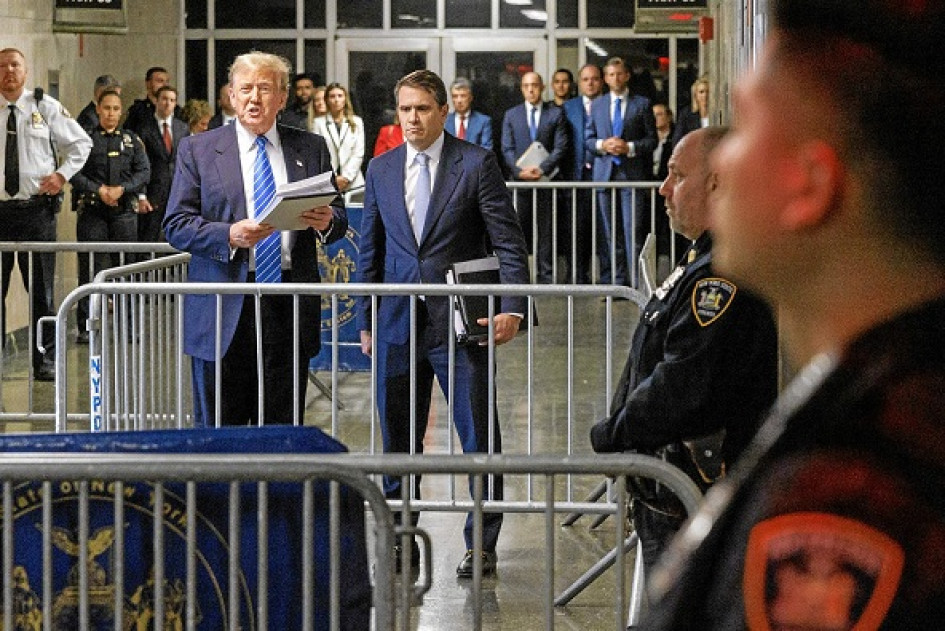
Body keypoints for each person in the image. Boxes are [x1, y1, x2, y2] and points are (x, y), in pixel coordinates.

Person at [640, 1, 945, 628]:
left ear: (809, 185)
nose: (721, 162)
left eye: (744, 128)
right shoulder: (879, 397)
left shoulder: (847, 498)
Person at [358, 69, 529, 578]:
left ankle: (482, 543)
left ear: (442, 111)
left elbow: (508, 242)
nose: (412, 118)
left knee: (478, 437)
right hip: (396, 324)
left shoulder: (475, 163)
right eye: (404, 109)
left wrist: (513, 306)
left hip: (459, 324)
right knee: (397, 442)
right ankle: (399, 539)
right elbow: (371, 250)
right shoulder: (381, 169)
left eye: (422, 109)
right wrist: (365, 320)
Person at [589, 126, 778, 576]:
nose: (664, 188)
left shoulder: (721, 276)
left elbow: (682, 383)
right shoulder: (702, 258)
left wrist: (614, 434)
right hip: (670, 490)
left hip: (687, 493)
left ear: (715, 184)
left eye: (677, 175)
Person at [163, 51, 347, 428]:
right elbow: (176, 224)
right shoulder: (198, 149)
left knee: (281, 430)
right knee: (220, 435)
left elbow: (338, 219)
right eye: (245, 89)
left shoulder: (310, 148)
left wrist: (328, 220)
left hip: (287, 302)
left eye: (264, 89)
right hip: (224, 305)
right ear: (231, 96)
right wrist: (228, 235)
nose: (254, 98)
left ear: (282, 98)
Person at [0, 47, 92, 381]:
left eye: (15, 65)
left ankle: (45, 360)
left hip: (36, 212)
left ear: (25, 71)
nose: (9, 71)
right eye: (2, 66)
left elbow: (81, 144)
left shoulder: (44, 107)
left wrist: (62, 175)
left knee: (42, 292)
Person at [71, 89, 150, 344]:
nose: (111, 114)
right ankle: (86, 327)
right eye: (106, 108)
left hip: (123, 213)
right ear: (98, 110)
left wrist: (122, 189)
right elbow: (74, 172)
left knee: (125, 269)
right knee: (90, 268)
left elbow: (144, 172)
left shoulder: (131, 140)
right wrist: (99, 190)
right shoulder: (85, 140)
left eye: (116, 109)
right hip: (93, 211)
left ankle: (128, 326)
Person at [586, 56, 657, 287]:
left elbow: (652, 140)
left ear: (626, 76)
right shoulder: (597, 105)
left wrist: (630, 147)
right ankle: (617, 282)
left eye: (619, 74)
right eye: (610, 75)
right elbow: (588, 139)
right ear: (605, 79)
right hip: (604, 175)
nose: (615, 78)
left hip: (631, 175)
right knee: (609, 233)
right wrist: (602, 145)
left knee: (632, 231)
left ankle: (636, 283)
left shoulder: (642, 104)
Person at [500, 71, 570, 283]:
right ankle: (518, 276)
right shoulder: (511, 115)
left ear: (542, 87)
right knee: (517, 231)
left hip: (545, 183)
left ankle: (545, 276)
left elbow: (561, 147)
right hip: (520, 184)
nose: (530, 90)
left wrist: (541, 169)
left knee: (546, 231)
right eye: (526, 86)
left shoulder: (555, 114)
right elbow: (507, 148)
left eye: (535, 85)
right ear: (521, 89)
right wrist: (519, 171)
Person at [562, 63, 603, 284]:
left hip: (604, 174)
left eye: (594, 79)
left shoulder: (608, 104)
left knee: (605, 229)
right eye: (586, 79)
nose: (590, 83)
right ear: (579, 83)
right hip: (576, 176)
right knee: (576, 229)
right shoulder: (569, 107)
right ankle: (577, 274)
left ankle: (608, 276)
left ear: (601, 81)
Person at [138, 85, 189, 244]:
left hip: (176, 192)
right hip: (153, 192)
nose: (168, 103)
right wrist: (141, 195)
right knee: (150, 238)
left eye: (172, 100)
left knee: (177, 239)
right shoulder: (144, 128)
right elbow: (139, 164)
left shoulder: (182, 128)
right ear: (156, 101)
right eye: (164, 99)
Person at [311, 82, 365, 202]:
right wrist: (333, 178)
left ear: (345, 99)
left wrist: (346, 177)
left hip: (354, 183)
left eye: (340, 96)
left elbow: (358, 153)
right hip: (328, 182)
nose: (336, 100)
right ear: (327, 100)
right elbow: (317, 153)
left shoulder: (356, 122)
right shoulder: (319, 123)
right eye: (332, 96)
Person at [124, 66, 181, 135]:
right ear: (148, 84)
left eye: (167, 81)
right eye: (160, 81)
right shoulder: (138, 110)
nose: (165, 85)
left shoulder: (176, 110)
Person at [445, 78, 492, 149]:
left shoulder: (483, 122)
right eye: (455, 96)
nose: (459, 100)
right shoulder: (443, 121)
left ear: (470, 98)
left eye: (463, 96)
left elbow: (486, 150)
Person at [671, 75, 709, 145]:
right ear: (695, 95)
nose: (705, 95)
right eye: (701, 92)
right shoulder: (686, 114)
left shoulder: (719, 114)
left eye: (708, 92)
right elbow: (677, 141)